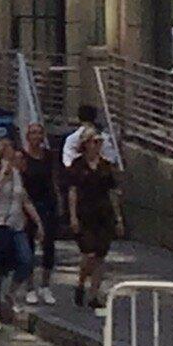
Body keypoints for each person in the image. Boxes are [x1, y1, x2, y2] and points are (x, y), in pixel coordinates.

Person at [0, 135, 41, 329]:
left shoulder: (17, 174)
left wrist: (38, 222)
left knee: (26, 260)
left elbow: (24, 198)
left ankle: (11, 292)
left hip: (16, 224)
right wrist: (4, 173)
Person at [66, 128, 123, 311]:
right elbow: (72, 191)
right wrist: (73, 215)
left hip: (103, 215)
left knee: (100, 256)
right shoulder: (77, 165)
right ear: (86, 144)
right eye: (94, 142)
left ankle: (94, 294)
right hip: (85, 214)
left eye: (100, 142)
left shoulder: (106, 166)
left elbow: (112, 192)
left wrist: (118, 217)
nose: (98, 145)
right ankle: (81, 282)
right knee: (88, 253)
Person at [20, 121, 61, 304]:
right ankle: (29, 287)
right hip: (29, 204)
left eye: (39, 133)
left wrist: (58, 201)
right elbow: (19, 183)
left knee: (49, 246)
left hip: (47, 202)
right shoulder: (22, 157)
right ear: (28, 137)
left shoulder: (48, 157)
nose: (36, 137)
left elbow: (53, 179)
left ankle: (45, 286)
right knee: (28, 248)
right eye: (33, 133)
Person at [61, 103, 118, 169]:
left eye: (96, 142)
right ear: (83, 144)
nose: (93, 145)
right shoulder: (105, 138)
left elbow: (67, 161)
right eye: (88, 141)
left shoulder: (71, 139)